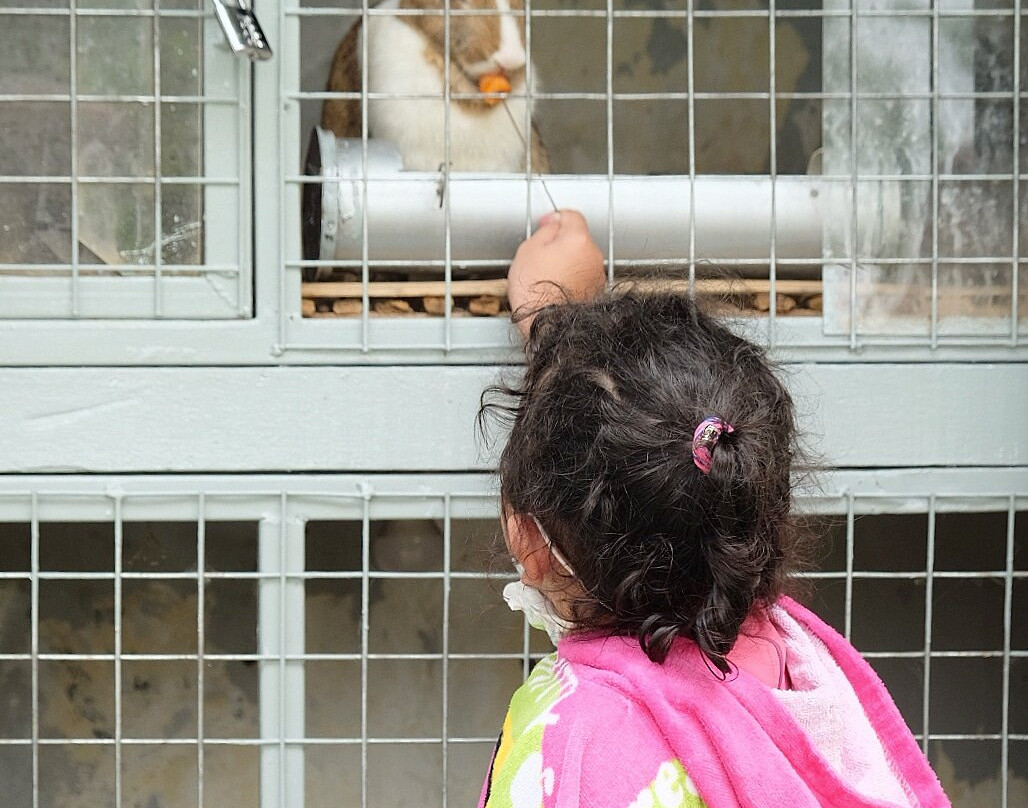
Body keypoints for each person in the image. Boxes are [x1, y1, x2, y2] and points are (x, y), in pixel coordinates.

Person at [476, 210, 951, 808]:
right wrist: (551, 324)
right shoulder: (799, 662)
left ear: (528, 540)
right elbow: (666, 461)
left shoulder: (578, 745)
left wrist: (553, 322)